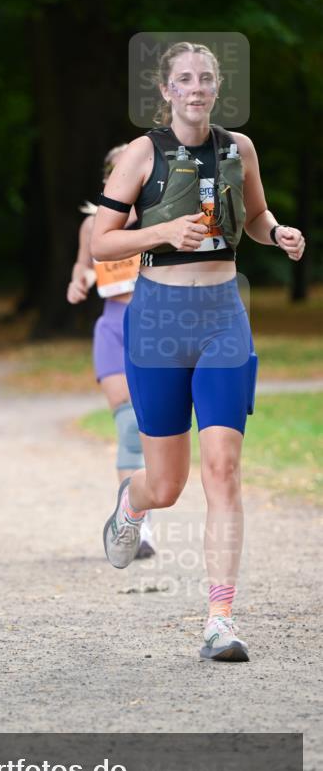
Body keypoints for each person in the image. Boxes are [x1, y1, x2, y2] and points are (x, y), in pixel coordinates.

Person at [92, 42, 305, 662]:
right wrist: (160, 231)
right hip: (158, 320)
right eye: (184, 79)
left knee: (223, 467)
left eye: (206, 78)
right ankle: (131, 505)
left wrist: (278, 233)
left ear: (217, 87)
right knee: (167, 483)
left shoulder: (239, 149)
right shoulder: (142, 153)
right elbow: (103, 242)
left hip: (222, 319)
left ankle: (220, 619)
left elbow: (257, 216)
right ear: (166, 90)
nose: (196, 87)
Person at [66, 146, 155, 557]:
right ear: (109, 179)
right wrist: (79, 280)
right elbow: (84, 265)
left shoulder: (160, 218)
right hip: (113, 329)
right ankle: (138, 526)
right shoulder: (93, 224)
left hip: (155, 332)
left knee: (152, 427)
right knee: (129, 428)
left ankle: (136, 507)